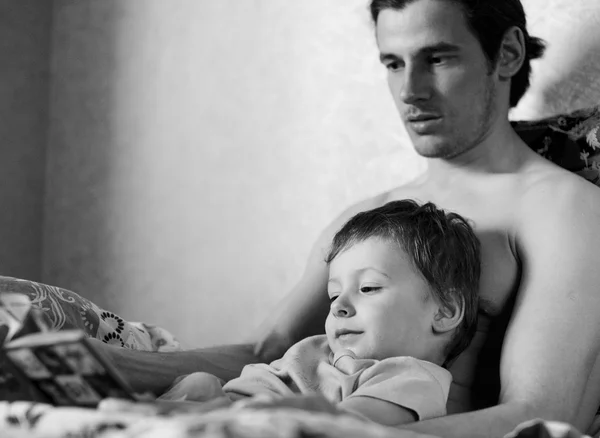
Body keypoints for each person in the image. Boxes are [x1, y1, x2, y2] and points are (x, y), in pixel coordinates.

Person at [98, 0, 600, 436]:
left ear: (507, 54)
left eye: (438, 58)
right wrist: (111, 363)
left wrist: (334, 431)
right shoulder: (367, 218)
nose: (411, 90)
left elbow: (545, 415)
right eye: (393, 63)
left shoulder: (560, 209)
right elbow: (266, 349)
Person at [155, 200, 480, 427]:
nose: (339, 306)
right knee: (199, 384)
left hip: (266, 425)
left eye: (368, 288)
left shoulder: (413, 378)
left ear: (445, 311)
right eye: (334, 294)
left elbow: (339, 424)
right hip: (229, 410)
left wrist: (242, 413)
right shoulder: (316, 349)